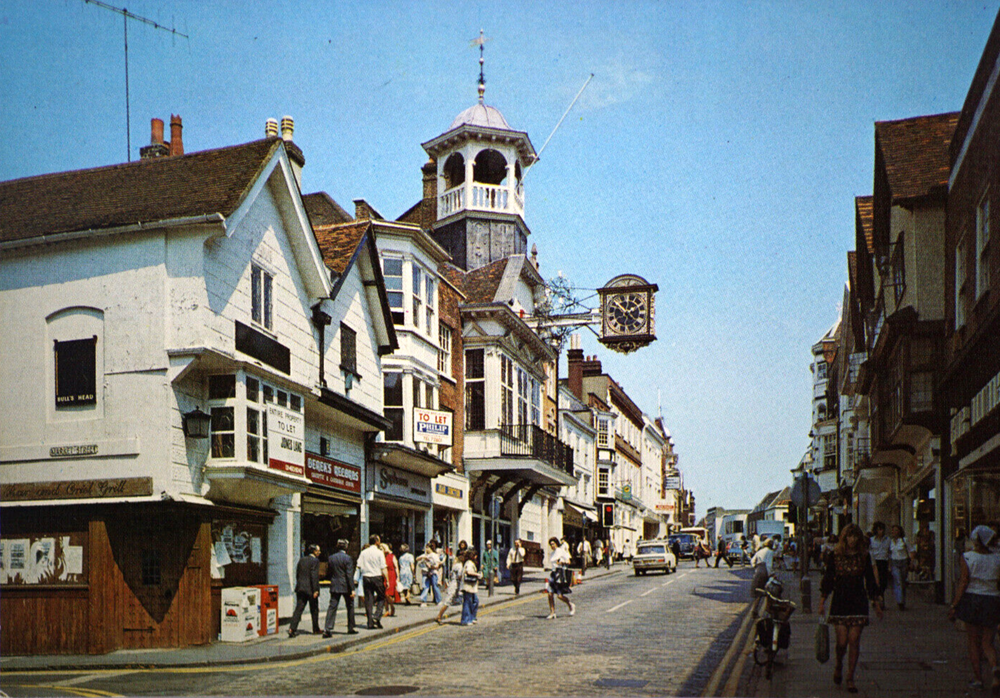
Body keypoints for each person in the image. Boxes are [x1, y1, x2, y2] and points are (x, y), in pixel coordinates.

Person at [818, 523, 883, 694]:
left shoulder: (864, 556)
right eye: (849, 536)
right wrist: (822, 600)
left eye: (855, 537)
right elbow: (829, 577)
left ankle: (850, 677)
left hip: (858, 601)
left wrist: (876, 602)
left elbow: (869, 579)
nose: (852, 540)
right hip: (840, 601)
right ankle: (839, 664)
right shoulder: (835, 555)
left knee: (854, 640)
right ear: (844, 538)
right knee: (841, 642)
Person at [949, 525, 1000, 691]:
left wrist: (954, 604)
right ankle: (994, 668)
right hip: (992, 599)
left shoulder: (968, 557)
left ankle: (978, 678)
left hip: (973, 598)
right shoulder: (997, 558)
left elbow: (964, 581)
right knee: (988, 642)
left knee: (973, 641)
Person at [322, 539, 358, 637]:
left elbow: (328, 573)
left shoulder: (331, 558)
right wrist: (352, 589)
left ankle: (327, 628)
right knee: (350, 606)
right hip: (346, 586)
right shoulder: (348, 559)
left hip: (335, 584)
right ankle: (351, 627)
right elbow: (349, 575)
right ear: (346, 547)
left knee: (332, 607)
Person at [288, 543, 322, 637]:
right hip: (310, 589)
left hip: (301, 588)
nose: (319, 552)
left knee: (299, 609)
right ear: (314, 551)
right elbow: (314, 576)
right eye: (318, 551)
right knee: (314, 609)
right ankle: (316, 629)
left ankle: (292, 628)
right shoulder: (315, 561)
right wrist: (315, 590)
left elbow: (298, 574)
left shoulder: (301, 560)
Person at [357, 534, 388, 629]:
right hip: (377, 577)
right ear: (377, 542)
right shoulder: (379, 553)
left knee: (368, 600)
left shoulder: (363, 552)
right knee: (382, 596)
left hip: (366, 577)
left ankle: (370, 622)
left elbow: (358, 566)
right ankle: (377, 616)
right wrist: (387, 580)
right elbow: (383, 568)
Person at [545, 537, 576, 619]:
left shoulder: (561, 551)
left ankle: (570, 604)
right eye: (550, 545)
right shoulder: (552, 553)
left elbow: (568, 561)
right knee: (550, 594)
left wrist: (562, 562)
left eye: (553, 544)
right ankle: (552, 612)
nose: (552, 546)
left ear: (556, 543)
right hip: (553, 574)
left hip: (560, 574)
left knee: (559, 596)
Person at [436, 548, 465, 625]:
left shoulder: (456, 564)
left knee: (459, 601)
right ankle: (439, 616)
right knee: (447, 602)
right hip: (454, 585)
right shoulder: (459, 566)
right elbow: (459, 576)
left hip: (454, 585)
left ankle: (465, 617)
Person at [888, 525, 914, 610]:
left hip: (903, 562)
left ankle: (903, 600)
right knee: (897, 581)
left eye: (896, 530)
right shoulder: (890, 542)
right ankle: (900, 602)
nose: (894, 532)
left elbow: (911, 551)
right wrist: (889, 565)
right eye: (893, 531)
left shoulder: (904, 540)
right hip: (895, 562)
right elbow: (889, 554)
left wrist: (911, 562)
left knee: (902, 582)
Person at [750, 538, 776, 617]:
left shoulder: (760, 551)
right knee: (768, 591)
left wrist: (756, 567)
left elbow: (752, 561)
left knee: (758, 592)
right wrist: (771, 574)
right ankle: (768, 610)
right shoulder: (770, 552)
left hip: (758, 570)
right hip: (764, 571)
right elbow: (769, 564)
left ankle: (755, 610)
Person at [869, 521, 890, 599]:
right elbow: (870, 551)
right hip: (875, 561)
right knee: (875, 579)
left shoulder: (888, 540)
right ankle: (877, 596)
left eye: (881, 529)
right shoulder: (871, 540)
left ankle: (880, 594)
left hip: (884, 561)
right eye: (878, 530)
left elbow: (889, 551)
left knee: (883, 580)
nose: (880, 532)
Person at [460, 548, 481, 625]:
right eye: (475, 555)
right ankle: (465, 620)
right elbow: (468, 572)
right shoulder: (469, 563)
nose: (476, 557)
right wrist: (477, 574)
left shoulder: (470, 562)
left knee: (475, 601)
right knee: (468, 602)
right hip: (468, 586)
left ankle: (472, 618)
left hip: (471, 586)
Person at [382, 543, 400, 617]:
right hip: (384, 576)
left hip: (391, 575)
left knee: (388, 594)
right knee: (384, 594)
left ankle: (392, 606)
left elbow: (396, 567)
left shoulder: (392, 556)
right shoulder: (382, 557)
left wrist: (398, 577)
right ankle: (386, 610)